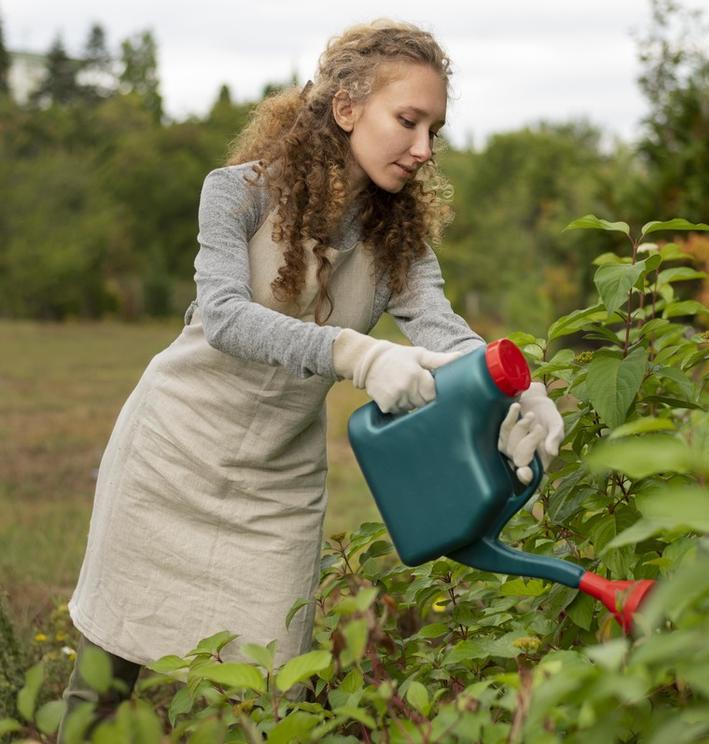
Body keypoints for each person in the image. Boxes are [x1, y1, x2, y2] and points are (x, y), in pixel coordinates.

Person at [58, 18, 564, 736]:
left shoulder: (399, 242)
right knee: (104, 680)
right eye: (409, 121)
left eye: (435, 131)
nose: (424, 150)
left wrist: (524, 392)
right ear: (346, 107)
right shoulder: (236, 192)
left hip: (277, 485)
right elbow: (227, 318)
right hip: (171, 452)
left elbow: (446, 333)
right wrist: (356, 353)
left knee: (273, 699)